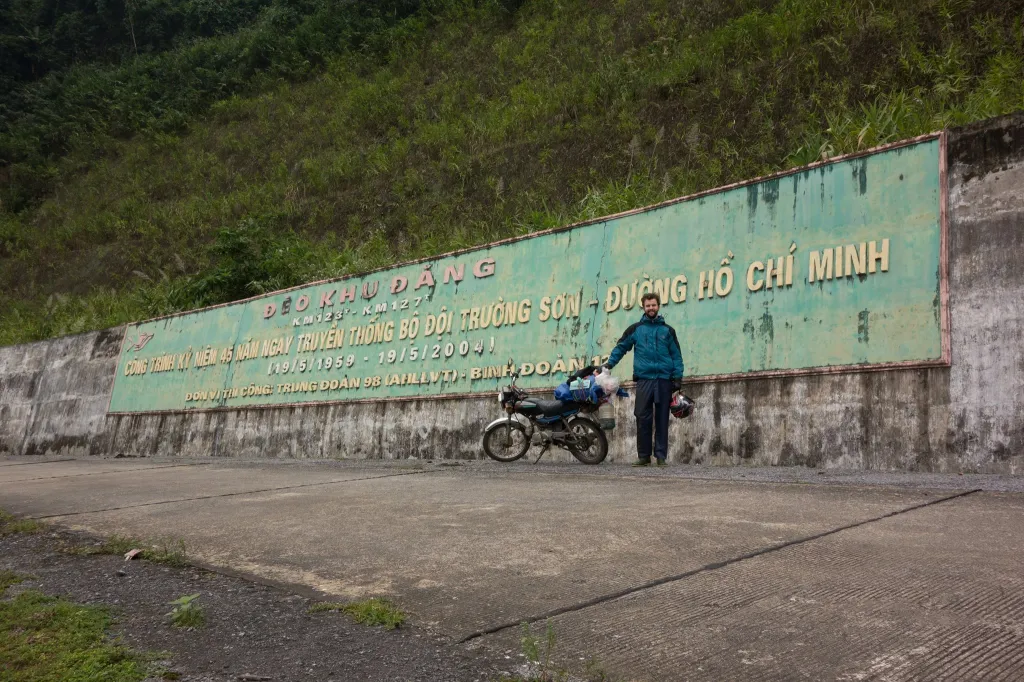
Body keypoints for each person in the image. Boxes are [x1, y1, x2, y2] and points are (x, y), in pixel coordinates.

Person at [604, 292, 684, 466]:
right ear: (643, 307)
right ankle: (644, 456)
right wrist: (609, 364)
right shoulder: (636, 329)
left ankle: (661, 456)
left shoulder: (668, 331)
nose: (651, 308)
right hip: (644, 380)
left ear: (658, 306)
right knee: (642, 417)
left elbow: (676, 356)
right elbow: (621, 347)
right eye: (648, 306)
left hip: (664, 380)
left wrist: (677, 378)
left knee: (662, 418)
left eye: (653, 305)